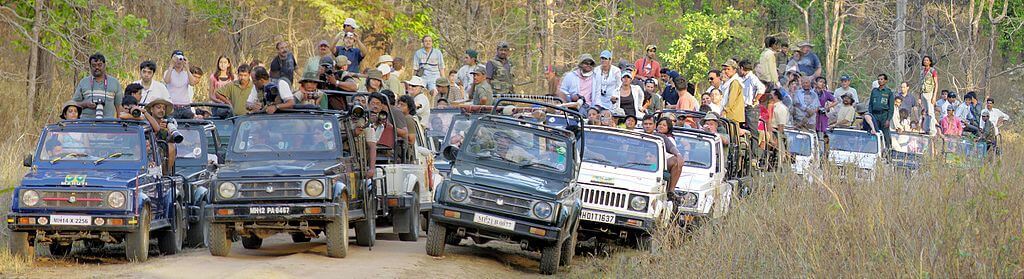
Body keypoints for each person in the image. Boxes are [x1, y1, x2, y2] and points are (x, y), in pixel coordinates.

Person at [73, 53, 124, 118]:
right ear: (90, 66)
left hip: (109, 124)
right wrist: (86, 104)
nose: (97, 67)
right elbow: (74, 104)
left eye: (99, 65)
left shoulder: (114, 82)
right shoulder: (83, 82)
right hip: (86, 124)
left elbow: (119, 106)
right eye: (94, 65)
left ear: (104, 65)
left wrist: (120, 125)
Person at [739, 60, 766, 135]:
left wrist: (755, 99)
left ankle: (754, 146)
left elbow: (762, 88)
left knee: (753, 130)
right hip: (744, 107)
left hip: (751, 108)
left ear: (741, 68)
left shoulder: (752, 78)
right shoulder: (744, 78)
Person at [868, 74, 895, 148]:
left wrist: (888, 119)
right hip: (875, 115)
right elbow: (870, 104)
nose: (880, 81)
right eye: (879, 79)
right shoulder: (874, 91)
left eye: (882, 79)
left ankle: (888, 154)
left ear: (885, 81)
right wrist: (870, 115)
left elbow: (891, 107)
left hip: (884, 115)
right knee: (874, 134)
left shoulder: (889, 92)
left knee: (886, 136)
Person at [720, 59, 746, 124]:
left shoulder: (735, 82)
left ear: (734, 70)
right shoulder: (730, 81)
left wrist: (725, 111)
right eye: (725, 69)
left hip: (733, 116)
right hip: (732, 115)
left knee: (732, 133)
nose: (726, 71)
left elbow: (731, 100)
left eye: (728, 69)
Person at [920, 56, 939, 126]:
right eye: (924, 60)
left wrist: (934, 96)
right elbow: (920, 84)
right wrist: (919, 97)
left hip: (929, 93)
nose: (925, 61)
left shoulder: (932, 71)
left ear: (930, 62)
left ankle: (934, 127)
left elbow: (936, 84)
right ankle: (927, 128)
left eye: (927, 60)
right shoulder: (922, 71)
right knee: (926, 111)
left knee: (931, 112)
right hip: (923, 92)